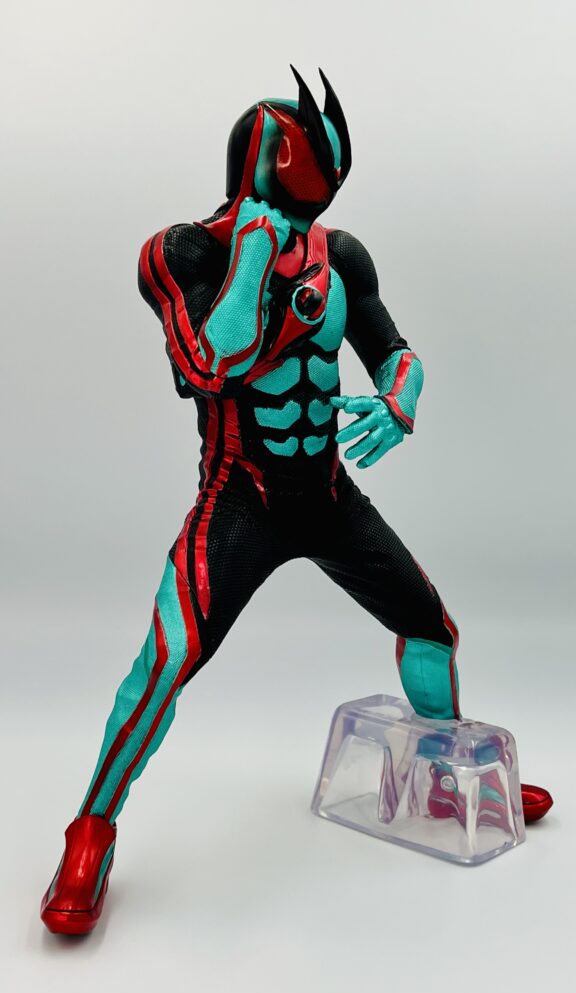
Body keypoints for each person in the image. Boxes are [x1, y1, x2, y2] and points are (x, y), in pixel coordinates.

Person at [40, 66, 463, 935]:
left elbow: (396, 351)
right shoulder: (184, 252)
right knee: (164, 663)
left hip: (329, 493)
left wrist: (400, 401)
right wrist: (256, 263)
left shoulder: (342, 256)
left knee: (431, 627)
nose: (317, 207)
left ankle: (446, 773)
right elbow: (207, 365)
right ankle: (91, 833)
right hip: (241, 498)